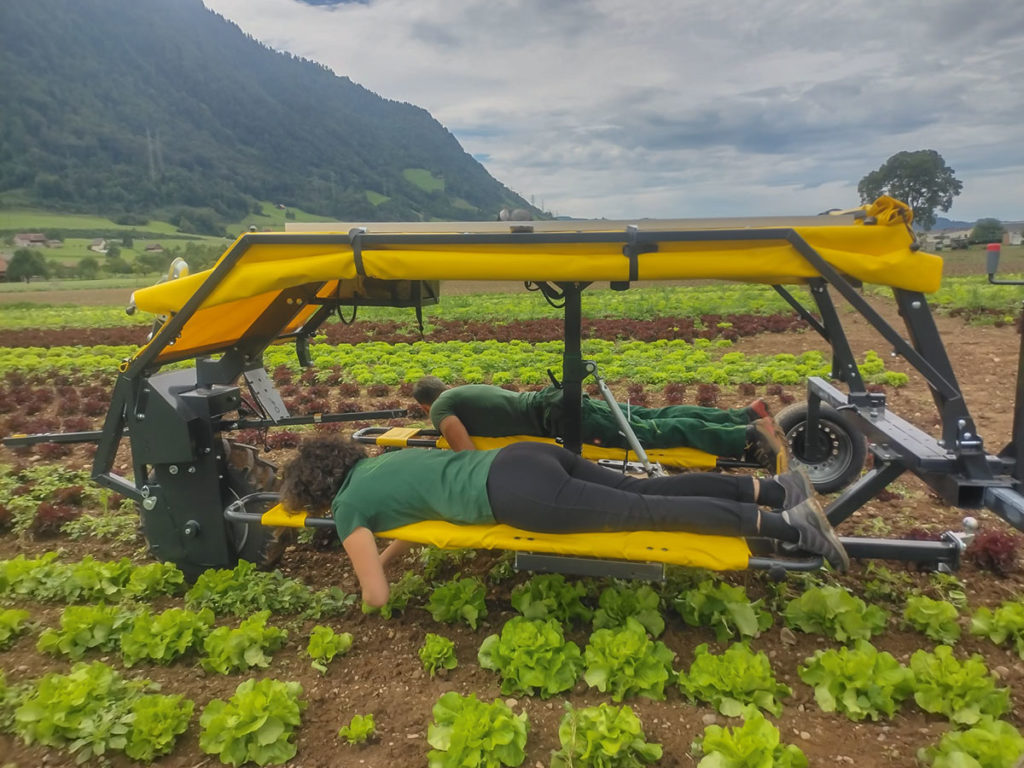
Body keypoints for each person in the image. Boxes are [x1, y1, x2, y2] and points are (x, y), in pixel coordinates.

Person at [280, 436, 849, 607]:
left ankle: (790, 527)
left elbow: (376, 596)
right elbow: (404, 525)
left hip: (519, 494)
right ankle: (778, 488)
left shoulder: (349, 508)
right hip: (524, 457)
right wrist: (383, 551)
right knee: (645, 491)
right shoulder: (382, 463)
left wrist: (358, 594)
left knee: (645, 514)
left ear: (317, 493)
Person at [410, 377, 789, 473]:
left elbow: (467, 453)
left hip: (559, 416)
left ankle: (746, 436)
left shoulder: (441, 407)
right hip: (555, 402)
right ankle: (745, 415)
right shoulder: (460, 391)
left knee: (652, 434)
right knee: (651, 417)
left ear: (426, 403)